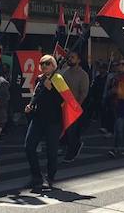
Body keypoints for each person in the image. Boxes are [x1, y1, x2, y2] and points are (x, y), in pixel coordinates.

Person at [24, 55, 63, 189]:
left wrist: (52, 89)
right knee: (29, 146)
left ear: (53, 65)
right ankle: (36, 176)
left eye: (47, 63)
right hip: (38, 118)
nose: (44, 66)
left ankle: (50, 177)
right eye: (42, 64)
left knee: (51, 151)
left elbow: (64, 100)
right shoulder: (39, 79)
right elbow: (36, 96)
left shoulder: (58, 79)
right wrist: (31, 105)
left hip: (53, 120)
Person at [61, 51, 90, 162]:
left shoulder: (83, 75)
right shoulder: (64, 72)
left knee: (71, 130)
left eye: (73, 57)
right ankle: (67, 145)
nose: (70, 59)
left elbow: (83, 93)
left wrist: (76, 106)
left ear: (78, 60)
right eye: (69, 57)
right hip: (63, 105)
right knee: (65, 129)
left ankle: (72, 151)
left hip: (75, 106)